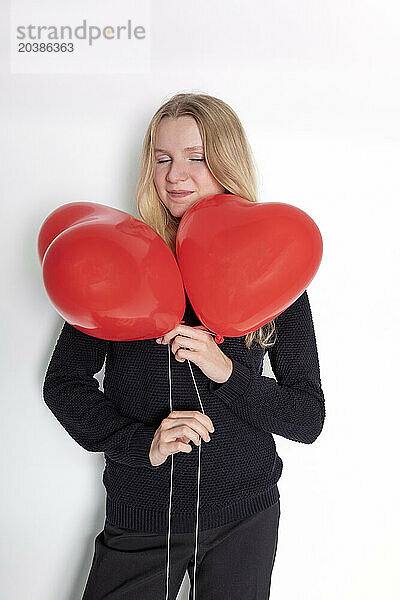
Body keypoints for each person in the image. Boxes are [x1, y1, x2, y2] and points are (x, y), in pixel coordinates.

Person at [43, 92, 326, 599]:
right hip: (142, 515)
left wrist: (227, 373)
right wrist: (141, 443)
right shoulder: (122, 261)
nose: (176, 175)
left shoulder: (271, 269)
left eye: (196, 158)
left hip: (245, 516)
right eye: (162, 158)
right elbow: (64, 385)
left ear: (225, 164)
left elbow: (307, 418)